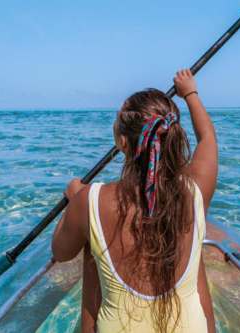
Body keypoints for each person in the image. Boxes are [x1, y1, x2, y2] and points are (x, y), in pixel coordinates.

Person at [52, 69, 218, 333]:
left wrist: (76, 200)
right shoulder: (195, 190)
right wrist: (190, 93)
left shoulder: (90, 201)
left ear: (121, 142)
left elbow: (60, 252)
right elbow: (207, 138)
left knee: (91, 246)